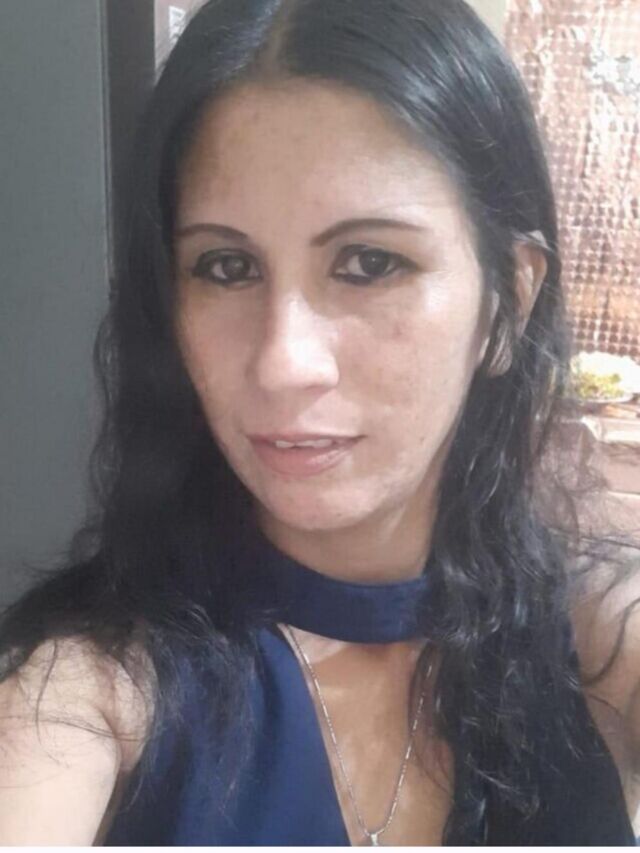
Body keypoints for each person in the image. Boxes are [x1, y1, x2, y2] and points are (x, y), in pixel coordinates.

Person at [0, 0, 638, 845]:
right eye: (226, 266)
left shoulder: (601, 636)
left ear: (506, 306)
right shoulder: (89, 698)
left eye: (369, 262)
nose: (283, 362)